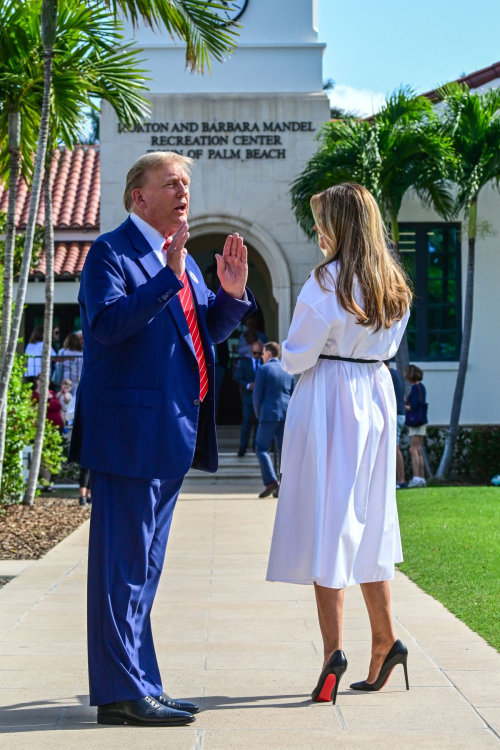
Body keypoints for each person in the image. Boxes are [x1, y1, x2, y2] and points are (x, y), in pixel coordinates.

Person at [68, 150, 256, 727]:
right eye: (171, 183)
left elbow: (205, 333)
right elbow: (106, 325)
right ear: (138, 197)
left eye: (187, 185)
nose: (183, 193)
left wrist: (228, 294)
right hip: (126, 435)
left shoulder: (188, 263)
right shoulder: (110, 253)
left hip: (171, 435)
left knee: (143, 571)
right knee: (120, 569)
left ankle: (140, 683)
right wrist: (164, 279)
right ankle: (121, 692)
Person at [266, 183, 412, 704]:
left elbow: (298, 356)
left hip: (329, 396)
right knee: (371, 517)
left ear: (339, 225)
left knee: (329, 519)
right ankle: (385, 638)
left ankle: (333, 652)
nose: (317, 230)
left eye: (322, 220)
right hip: (375, 394)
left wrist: (285, 350)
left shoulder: (324, 280)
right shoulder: (392, 282)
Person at [253, 342, 295, 498]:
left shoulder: (264, 369)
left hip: (268, 414)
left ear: (269, 354)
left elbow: (257, 396)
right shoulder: (288, 370)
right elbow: (292, 394)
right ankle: (284, 485)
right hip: (286, 414)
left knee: (261, 448)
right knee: (283, 452)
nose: (262, 356)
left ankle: (271, 481)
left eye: (263, 353)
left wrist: (258, 414)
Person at [235, 339, 263, 457]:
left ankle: (257, 447)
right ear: (251, 352)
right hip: (248, 397)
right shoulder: (244, 363)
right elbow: (238, 377)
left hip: (261, 398)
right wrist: (247, 385)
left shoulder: (264, 362)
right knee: (246, 421)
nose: (257, 355)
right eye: (255, 353)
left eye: (259, 353)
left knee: (259, 422)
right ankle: (243, 447)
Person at [404, 364, 428, 488]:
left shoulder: (414, 388)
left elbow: (413, 407)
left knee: (413, 450)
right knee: (418, 449)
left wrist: (404, 405)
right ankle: (422, 477)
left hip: (415, 422)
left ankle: (416, 477)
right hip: (422, 421)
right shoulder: (422, 387)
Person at [385, 360, 407, 489]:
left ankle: (400, 481)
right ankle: (399, 480)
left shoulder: (386, 374)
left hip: (394, 414)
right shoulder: (397, 374)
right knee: (394, 447)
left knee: (394, 448)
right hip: (400, 413)